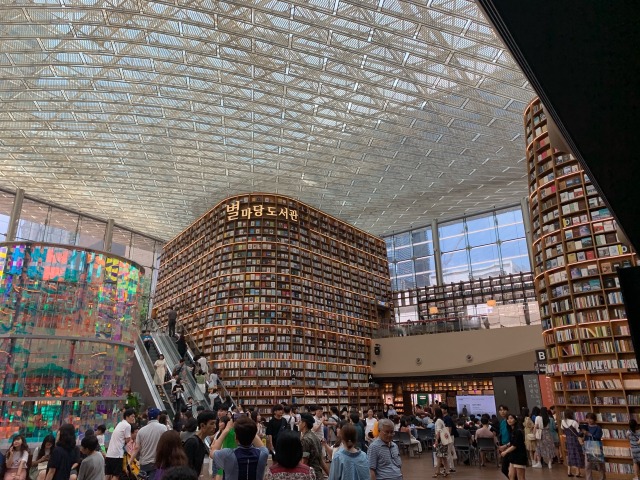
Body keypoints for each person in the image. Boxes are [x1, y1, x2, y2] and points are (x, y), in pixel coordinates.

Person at [130, 407, 167, 480]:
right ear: (158, 417)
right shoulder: (163, 428)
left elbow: (137, 448)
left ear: (148, 417)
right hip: (157, 463)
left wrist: (130, 461)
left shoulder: (141, 431)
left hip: (144, 464)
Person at [105, 408, 136, 480]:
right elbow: (128, 439)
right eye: (132, 416)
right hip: (117, 454)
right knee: (116, 475)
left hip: (110, 453)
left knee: (108, 475)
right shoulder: (127, 426)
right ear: (127, 416)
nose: (133, 418)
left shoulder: (120, 423)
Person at [184, 411, 217, 477]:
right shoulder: (192, 442)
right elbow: (185, 469)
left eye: (215, 423)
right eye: (212, 424)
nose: (215, 427)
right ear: (202, 425)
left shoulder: (201, 441)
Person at [299, 413, 329, 480]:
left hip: (310, 475)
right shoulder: (315, 437)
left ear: (304, 424)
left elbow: (304, 461)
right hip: (318, 474)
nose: (298, 423)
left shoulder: (305, 439)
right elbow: (321, 460)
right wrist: (330, 475)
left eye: (300, 422)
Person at [500, 414, 527, 480]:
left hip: (519, 455)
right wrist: (505, 446)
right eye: (508, 419)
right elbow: (513, 442)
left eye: (511, 418)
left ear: (515, 420)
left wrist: (505, 452)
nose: (509, 420)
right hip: (513, 455)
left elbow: (515, 445)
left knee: (520, 477)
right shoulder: (512, 430)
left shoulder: (518, 431)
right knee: (511, 475)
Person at [561, 410, 584, 477]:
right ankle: (578, 472)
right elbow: (579, 432)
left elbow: (563, 429)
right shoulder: (574, 422)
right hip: (575, 440)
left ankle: (569, 471)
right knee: (578, 455)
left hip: (568, 440)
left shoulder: (562, 421)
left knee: (570, 455)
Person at [582, 413, 604, 480]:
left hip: (596, 447)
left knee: (599, 466)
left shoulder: (598, 428)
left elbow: (598, 437)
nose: (589, 420)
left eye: (590, 419)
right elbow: (580, 435)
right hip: (587, 447)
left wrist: (588, 434)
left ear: (594, 419)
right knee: (587, 466)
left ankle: (602, 478)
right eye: (587, 418)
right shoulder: (585, 427)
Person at [432, 407, 450, 478]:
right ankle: (447, 470)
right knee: (443, 457)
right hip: (442, 440)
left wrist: (436, 440)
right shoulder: (441, 420)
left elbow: (438, 431)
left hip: (440, 441)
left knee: (439, 456)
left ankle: (437, 471)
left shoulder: (438, 420)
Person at [498, 405, 510, 478]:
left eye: (504, 410)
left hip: (511, 446)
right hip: (504, 446)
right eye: (500, 410)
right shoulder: (502, 422)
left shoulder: (510, 420)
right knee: (505, 468)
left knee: (509, 468)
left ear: (507, 411)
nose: (502, 411)